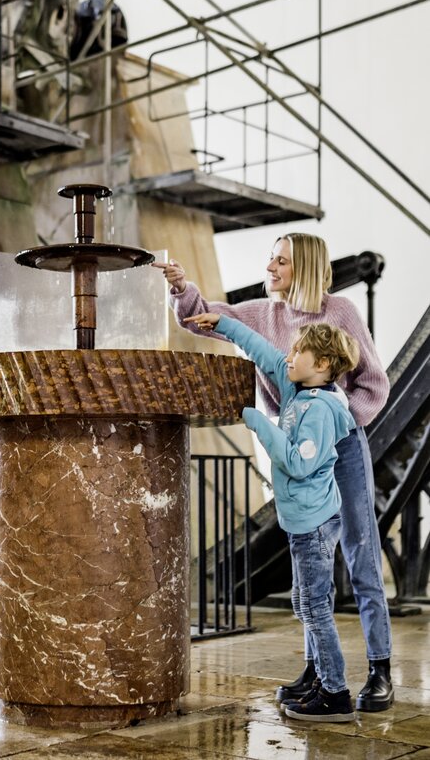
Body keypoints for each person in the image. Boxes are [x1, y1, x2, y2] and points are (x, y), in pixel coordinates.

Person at [153, 233, 394, 712]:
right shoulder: (264, 314)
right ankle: (317, 670)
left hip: (341, 445)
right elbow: (207, 318)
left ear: (303, 266)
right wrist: (181, 288)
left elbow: (375, 383)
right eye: (271, 258)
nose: (271, 267)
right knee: (310, 567)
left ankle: (380, 670)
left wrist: (341, 420)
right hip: (298, 447)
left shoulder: (340, 311)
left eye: (280, 260)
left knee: (361, 551)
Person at [182, 311, 359, 721]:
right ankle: (318, 678)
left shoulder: (320, 411)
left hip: (315, 524)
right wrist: (222, 323)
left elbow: (298, 463)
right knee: (304, 602)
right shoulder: (297, 386)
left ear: (323, 365)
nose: (289, 356)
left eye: (299, 351)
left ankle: (336, 693)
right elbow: (262, 351)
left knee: (314, 607)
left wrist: (259, 421)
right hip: (302, 522)